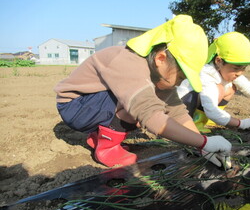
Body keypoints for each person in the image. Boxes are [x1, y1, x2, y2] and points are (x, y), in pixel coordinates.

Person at [54, 15, 232, 169]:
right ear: (161, 58)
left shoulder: (155, 71)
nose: (181, 82)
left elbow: (177, 111)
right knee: (141, 104)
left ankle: (99, 136)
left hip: (92, 104)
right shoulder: (129, 63)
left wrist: (201, 145)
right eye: (181, 76)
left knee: (149, 99)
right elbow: (151, 116)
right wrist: (205, 142)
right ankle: (106, 148)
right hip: (75, 107)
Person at [177, 31, 250, 133]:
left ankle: (207, 121)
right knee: (220, 89)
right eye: (236, 68)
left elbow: (248, 87)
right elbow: (211, 110)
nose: (239, 73)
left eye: (243, 68)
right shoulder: (206, 75)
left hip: (197, 106)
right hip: (180, 110)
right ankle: (193, 124)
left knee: (231, 88)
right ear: (219, 61)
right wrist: (241, 124)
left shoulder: (227, 72)